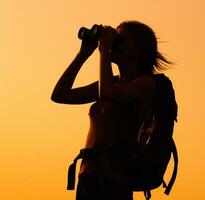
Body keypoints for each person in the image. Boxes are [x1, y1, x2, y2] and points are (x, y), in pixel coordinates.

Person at [51, 20, 174, 200]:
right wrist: (83, 54)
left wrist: (105, 51)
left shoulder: (145, 84)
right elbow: (60, 95)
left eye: (120, 39)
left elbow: (107, 93)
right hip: (87, 179)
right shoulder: (113, 82)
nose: (113, 41)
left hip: (113, 183)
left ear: (139, 51)